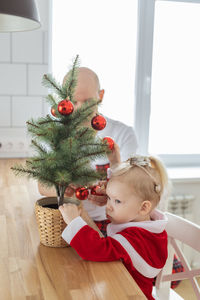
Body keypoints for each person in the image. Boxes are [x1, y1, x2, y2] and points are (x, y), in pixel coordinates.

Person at [59, 143, 169, 300]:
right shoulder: (148, 223)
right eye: (109, 197)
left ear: (144, 207)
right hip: (116, 287)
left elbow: (95, 249)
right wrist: (115, 170)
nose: (108, 206)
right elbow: (126, 190)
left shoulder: (135, 239)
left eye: (116, 201)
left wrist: (73, 221)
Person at [38, 67, 138, 222]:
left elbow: (134, 187)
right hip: (66, 221)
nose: (81, 110)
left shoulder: (123, 134)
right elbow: (42, 187)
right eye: (74, 101)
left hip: (111, 223)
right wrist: (65, 188)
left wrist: (112, 194)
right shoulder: (55, 135)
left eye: (88, 102)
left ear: (100, 96)